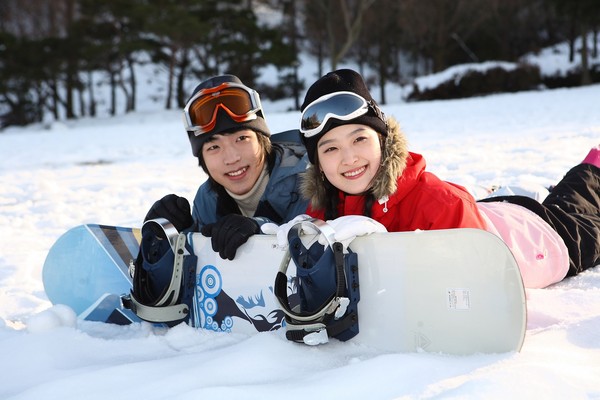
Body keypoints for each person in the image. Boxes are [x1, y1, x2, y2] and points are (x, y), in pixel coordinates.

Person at [293, 68, 600, 289]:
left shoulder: (437, 201)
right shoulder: (322, 214)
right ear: (318, 163)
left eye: (359, 139)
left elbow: (488, 284)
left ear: (382, 141)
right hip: (494, 209)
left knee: (580, 208)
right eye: (331, 148)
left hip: (538, 237)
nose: (349, 158)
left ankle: (594, 164)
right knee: (566, 196)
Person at [145, 74, 309, 260]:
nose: (231, 158)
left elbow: (312, 251)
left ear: (262, 140)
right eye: (214, 147)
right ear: (202, 159)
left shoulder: (308, 181)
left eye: (241, 139)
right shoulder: (208, 200)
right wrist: (172, 237)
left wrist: (259, 231)